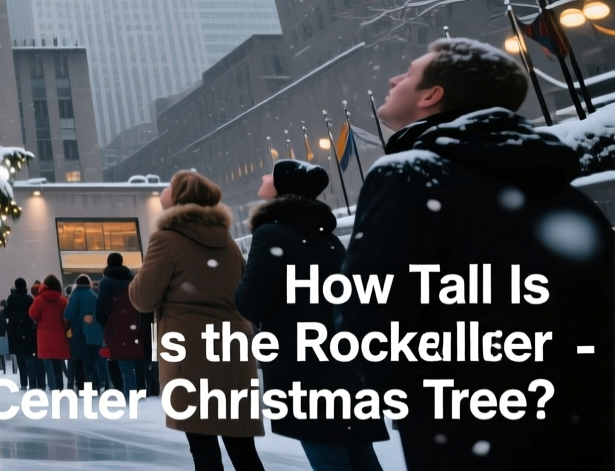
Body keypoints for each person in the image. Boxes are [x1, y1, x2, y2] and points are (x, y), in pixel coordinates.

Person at [339, 38, 615, 469]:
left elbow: (370, 318)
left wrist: (425, 407)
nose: (394, 79)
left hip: (468, 434)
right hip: (581, 428)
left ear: (432, 95)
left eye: (409, 73)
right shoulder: (559, 187)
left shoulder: (409, 174)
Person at [237, 159, 386, 471]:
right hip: (341, 361)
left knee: (327, 457)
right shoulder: (328, 239)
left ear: (282, 187)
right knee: (359, 453)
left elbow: (250, 303)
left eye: (271, 173)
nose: (264, 175)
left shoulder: (271, 234)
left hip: (303, 364)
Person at [129, 170, 264, 471]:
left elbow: (143, 298)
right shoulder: (226, 240)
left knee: (203, 450)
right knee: (243, 449)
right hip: (232, 352)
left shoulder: (166, 240)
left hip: (190, 355)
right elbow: (242, 288)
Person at [94, 252, 150, 396]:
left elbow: (101, 307)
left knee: (119, 361)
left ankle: (125, 394)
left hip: (116, 326)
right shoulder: (133, 280)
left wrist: (105, 325)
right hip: (135, 323)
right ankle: (142, 394)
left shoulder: (106, 282)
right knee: (136, 360)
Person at [27, 275, 71, 391]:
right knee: (58, 364)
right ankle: (60, 388)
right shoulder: (63, 300)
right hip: (60, 336)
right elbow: (68, 315)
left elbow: (32, 314)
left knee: (48, 364)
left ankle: (52, 387)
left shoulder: (40, 299)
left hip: (44, 337)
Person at [64, 275, 106, 391]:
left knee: (78, 361)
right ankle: (95, 386)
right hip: (94, 333)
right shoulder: (94, 295)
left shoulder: (75, 295)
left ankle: (82, 388)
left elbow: (69, 315)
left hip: (78, 333)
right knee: (92, 362)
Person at [4, 278, 38, 389]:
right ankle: (33, 383)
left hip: (16, 331)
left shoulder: (11, 298)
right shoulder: (29, 299)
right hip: (28, 329)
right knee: (30, 357)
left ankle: (23, 383)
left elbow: (6, 313)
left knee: (20, 357)